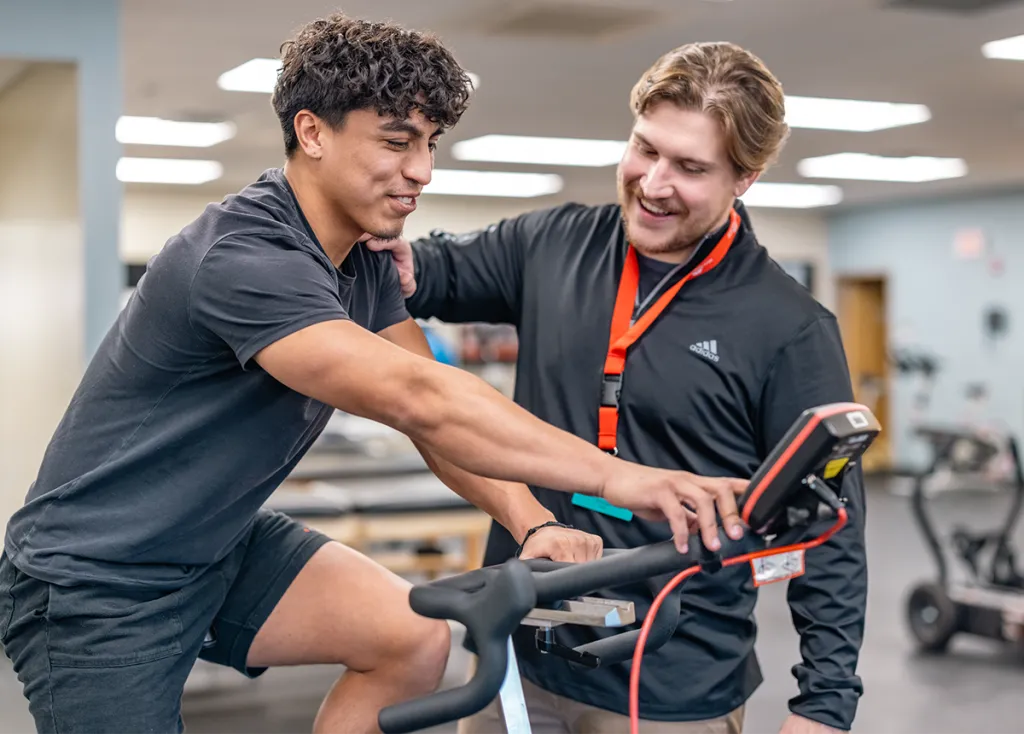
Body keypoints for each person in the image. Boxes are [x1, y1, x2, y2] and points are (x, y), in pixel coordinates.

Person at [0, 16, 749, 734]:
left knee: (413, 635)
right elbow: (422, 399)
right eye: (396, 142)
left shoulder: (361, 260)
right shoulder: (242, 255)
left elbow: (425, 408)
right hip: (96, 583)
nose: (420, 170)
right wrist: (623, 481)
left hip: (215, 545)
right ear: (312, 131)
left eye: (428, 143)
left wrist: (534, 521)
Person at [371, 41, 868, 734]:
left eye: (690, 168)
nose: (654, 182)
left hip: (670, 680)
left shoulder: (789, 326)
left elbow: (831, 527)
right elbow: (429, 272)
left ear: (745, 178)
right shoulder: (554, 242)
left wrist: (824, 704)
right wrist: (378, 245)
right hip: (518, 660)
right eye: (645, 149)